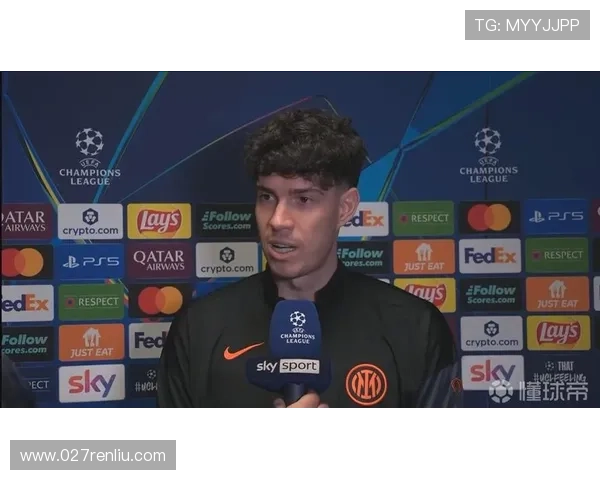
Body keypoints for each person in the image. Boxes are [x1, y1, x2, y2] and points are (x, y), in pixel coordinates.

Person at [157, 108, 461, 408]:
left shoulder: (415, 329)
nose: (277, 220)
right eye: (266, 197)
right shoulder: (199, 327)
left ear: (345, 208)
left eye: (303, 199)